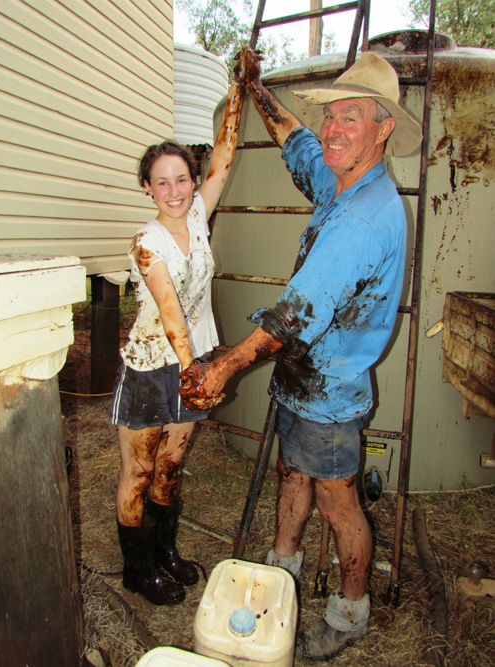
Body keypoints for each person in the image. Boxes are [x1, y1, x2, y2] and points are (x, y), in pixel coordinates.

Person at [180, 50, 422, 657]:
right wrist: (256, 88)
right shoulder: (341, 180)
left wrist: (222, 368)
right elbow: (299, 146)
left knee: (339, 503)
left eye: (351, 118)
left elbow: (294, 316)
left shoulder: (363, 219)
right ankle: (281, 567)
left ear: (384, 129)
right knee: (292, 472)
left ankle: (349, 612)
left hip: (330, 390)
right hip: (301, 377)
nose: (333, 129)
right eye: (330, 115)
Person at [109, 68, 245, 606]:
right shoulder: (147, 241)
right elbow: (170, 312)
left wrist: (238, 90)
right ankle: (137, 568)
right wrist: (195, 373)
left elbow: (224, 157)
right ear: (147, 187)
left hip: (194, 360)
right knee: (140, 470)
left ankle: (165, 552)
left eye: (182, 179)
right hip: (153, 366)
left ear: (193, 181)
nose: (174, 191)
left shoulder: (199, 215)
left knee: (171, 465)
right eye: (161, 182)